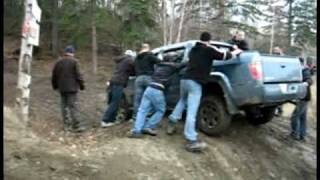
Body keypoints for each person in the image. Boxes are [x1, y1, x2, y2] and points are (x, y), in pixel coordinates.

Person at [167, 32, 242, 153]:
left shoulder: (193, 50)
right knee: (192, 111)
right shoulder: (208, 50)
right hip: (195, 83)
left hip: (184, 80)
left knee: (182, 101)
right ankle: (191, 140)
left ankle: (172, 122)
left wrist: (211, 47)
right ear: (209, 40)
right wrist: (236, 52)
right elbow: (225, 56)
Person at [128, 52, 187, 138]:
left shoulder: (158, 66)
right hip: (157, 89)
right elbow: (183, 64)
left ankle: (137, 131)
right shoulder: (172, 66)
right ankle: (149, 126)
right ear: (171, 60)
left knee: (142, 110)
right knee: (161, 110)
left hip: (149, 89)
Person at [51, 45, 86, 132]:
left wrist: (55, 86)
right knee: (73, 106)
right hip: (72, 88)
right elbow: (78, 75)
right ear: (72, 53)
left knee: (63, 106)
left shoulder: (58, 62)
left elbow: (54, 76)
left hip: (62, 88)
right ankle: (76, 125)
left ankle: (66, 125)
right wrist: (82, 85)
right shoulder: (75, 62)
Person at [101, 50, 136, 127]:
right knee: (115, 102)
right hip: (119, 83)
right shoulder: (129, 60)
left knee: (114, 102)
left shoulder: (121, 61)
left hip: (113, 82)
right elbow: (135, 69)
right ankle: (105, 120)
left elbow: (128, 71)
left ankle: (111, 120)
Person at [133, 43, 161, 121]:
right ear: (148, 48)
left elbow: (134, 67)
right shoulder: (149, 55)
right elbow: (159, 62)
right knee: (151, 97)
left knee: (138, 98)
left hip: (138, 78)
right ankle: (148, 115)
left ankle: (136, 116)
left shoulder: (137, 58)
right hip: (148, 77)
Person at [289, 57, 313, 141]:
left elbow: (310, 80)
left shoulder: (304, 70)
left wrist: (304, 84)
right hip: (305, 97)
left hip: (303, 97)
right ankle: (302, 135)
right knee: (302, 117)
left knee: (295, 116)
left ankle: (295, 134)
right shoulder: (299, 70)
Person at [272, 46, 284, 116]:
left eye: (276, 50)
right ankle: (276, 109)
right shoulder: (273, 57)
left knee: (280, 95)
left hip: (281, 78)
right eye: (274, 50)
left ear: (280, 50)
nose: (275, 51)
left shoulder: (282, 57)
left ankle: (279, 110)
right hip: (275, 78)